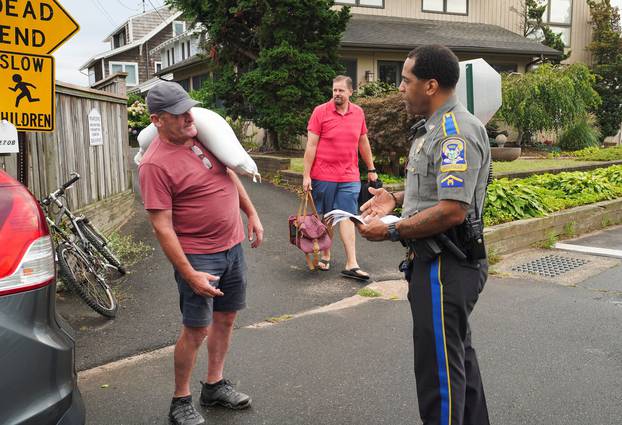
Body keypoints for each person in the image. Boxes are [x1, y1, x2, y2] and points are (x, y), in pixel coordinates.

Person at [356, 45, 491, 425]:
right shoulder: (436, 129)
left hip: (445, 265)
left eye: (406, 80)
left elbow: (452, 209)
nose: (400, 88)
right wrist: (395, 197)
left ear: (431, 85)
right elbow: (437, 190)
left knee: (440, 376)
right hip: (441, 261)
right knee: (457, 358)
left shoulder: (455, 133)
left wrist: (392, 229)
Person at [138, 81, 264, 425]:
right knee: (196, 330)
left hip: (232, 248)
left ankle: (214, 384)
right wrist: (190, 273)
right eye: (178, 114)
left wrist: (251, 214)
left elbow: (229, 175)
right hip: (198, 258)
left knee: (226, 318)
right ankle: (180, 400)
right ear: (157, 121)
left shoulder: (202, 139)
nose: (188, 116)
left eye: (188, 108)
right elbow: (162, 227)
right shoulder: (154, 165)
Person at [302, 75, 378, 280]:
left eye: (341, 90)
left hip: (349, 175)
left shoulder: (358, 113)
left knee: (346, 215)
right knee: (327, 216)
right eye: (334, 90)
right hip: (323, 175)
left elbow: (363, 142)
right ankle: (326, 252)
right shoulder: (320, 112)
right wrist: (306, 175)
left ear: (350, 92)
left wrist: (371, 168)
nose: (337, 94)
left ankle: (352, 262)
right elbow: (311, 145)